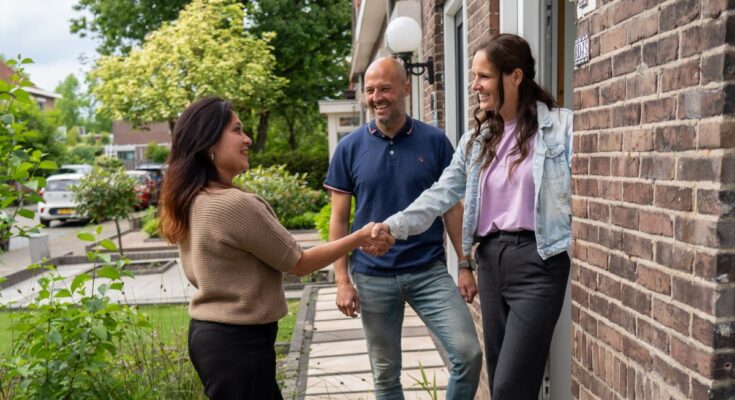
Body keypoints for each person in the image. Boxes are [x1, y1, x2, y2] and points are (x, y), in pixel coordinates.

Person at [371, 34, 573, 399]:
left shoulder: (561, 128)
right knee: (503, 382)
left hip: (539, 261)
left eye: (483, 76)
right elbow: (441, 194)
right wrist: (393, 226)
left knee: (510, 387)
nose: (475, 86)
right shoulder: (477, 139)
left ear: (514, 76)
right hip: (492, 263)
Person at [158, 97, 394, 400]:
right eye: (237, 130)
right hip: (238, 342)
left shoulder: (192, 198)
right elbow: (299, 262)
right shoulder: (234, 204)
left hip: (212, 337)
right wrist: (359, 237)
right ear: (208, 145)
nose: (248, 139)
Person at [325, 57, 482, 400]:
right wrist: (342, 280)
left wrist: (465, 263)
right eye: (370, 90)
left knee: (468, 354)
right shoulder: (349, 148)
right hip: (372, 276)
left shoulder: (435, 141)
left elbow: (451, 207)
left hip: (428, 271)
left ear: (406, 89)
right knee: (385, 377)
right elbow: (338, 220)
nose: (376, 97)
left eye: (385, 88)